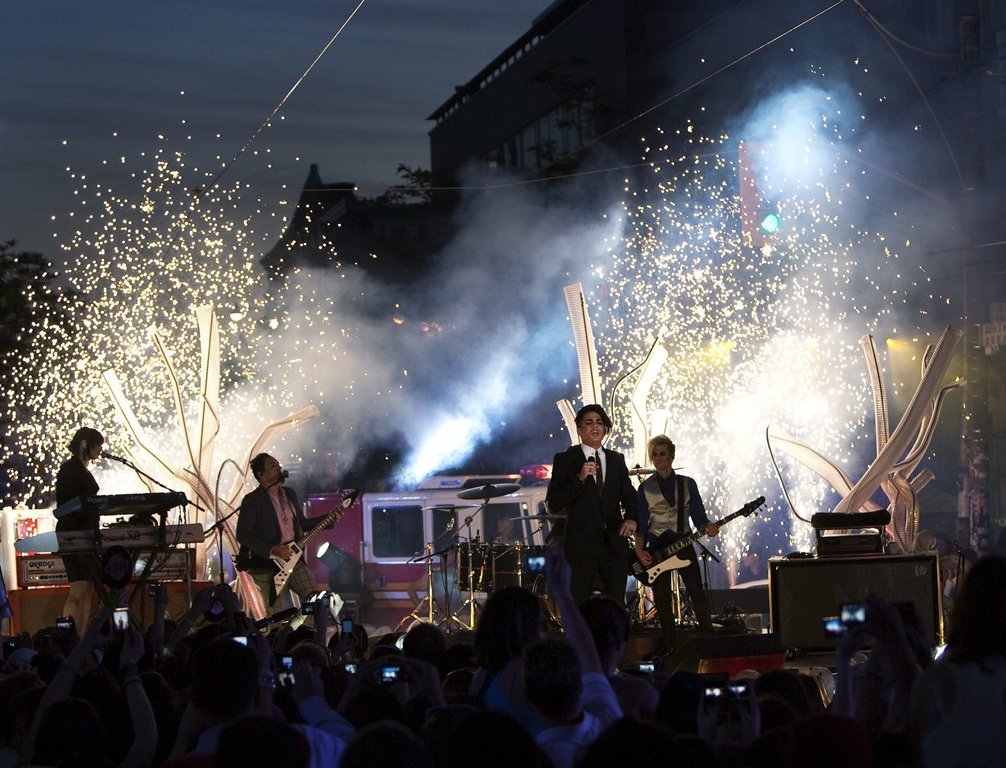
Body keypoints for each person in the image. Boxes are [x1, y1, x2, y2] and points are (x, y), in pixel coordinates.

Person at [545, 404, 638, 606]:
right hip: (581, 547)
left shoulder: (616, 459)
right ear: (579, 429)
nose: (595, 427)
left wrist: (631, 518)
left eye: (599, 422)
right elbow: (554, 503)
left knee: (616, 607)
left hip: (614, 545)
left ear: (605, 429)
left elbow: (630, 496)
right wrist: (579, 479)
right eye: (589, 423)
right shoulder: (565, 459)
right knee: (578, 606)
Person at [634, 435, 718, 647]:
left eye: (663, 454)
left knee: (696, 591)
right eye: (655, 455)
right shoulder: (645, 488)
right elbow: (641, 524)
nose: (658, 458)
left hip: (683, 542)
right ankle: (670, 644)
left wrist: (708, 528)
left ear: (672, 456)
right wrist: (639, 550)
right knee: (661, 597)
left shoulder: (688, 484)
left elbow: (699, 517)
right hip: (657, 546)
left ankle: (708, 641)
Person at [235, 453, 336, 612]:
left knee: (316, 601)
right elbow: (242, 534)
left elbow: (302, 524)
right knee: (273, 616)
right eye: (272, 465)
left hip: (293, 559)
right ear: (261, 474)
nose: (279, 467)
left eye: (278, 464)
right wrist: (271, 549)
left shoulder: (289, 494)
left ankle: (301, 628)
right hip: (268, 566)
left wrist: (329, 519)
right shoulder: (253, 499)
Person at [54, 426, 105, 628]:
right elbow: (66, 504)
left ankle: (80, 635)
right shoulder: (70, 469)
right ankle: (71, 636)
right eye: (98, 445)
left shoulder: (80, 469)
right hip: (73, 533)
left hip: (84, 532)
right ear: (85, 444)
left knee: (87, 588)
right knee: (79, 586)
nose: (100, 450)